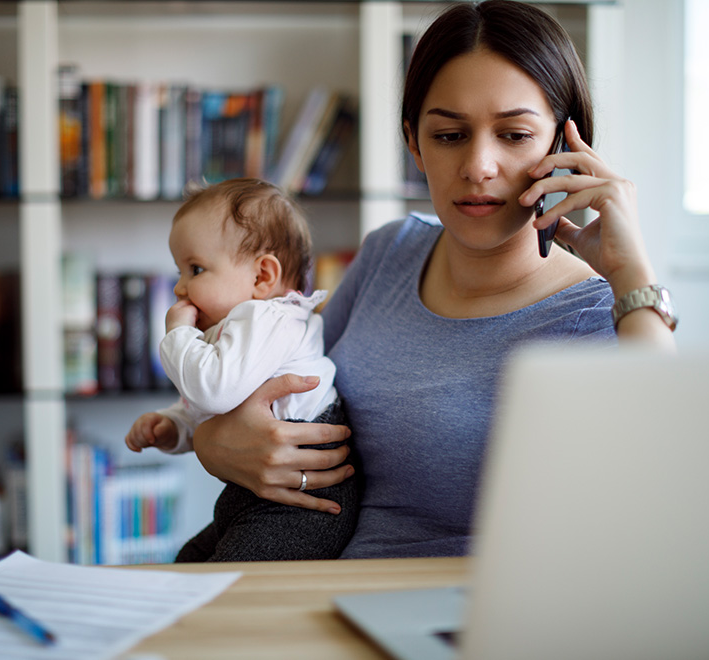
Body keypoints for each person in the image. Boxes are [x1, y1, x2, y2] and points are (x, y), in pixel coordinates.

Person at [185, 0, 678, 561]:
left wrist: (631, 273)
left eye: (514, 135)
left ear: (565, 147)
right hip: (321, 593)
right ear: (414, 142)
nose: (479, 166)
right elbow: (278, 380)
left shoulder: (602, 314)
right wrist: (211, 440)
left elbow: (663, 485)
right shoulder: (390, 251)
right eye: (450, 135)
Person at [124, 177, 358, 562]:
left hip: (301, 505)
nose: (180, 288)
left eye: (195, 269)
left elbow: (214, 390)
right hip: (256, 493)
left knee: (229, 584)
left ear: (262, 277)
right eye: (180, 272)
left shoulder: (268, 318)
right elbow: (220, 407)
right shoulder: (241, 326)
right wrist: (175, 425)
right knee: (189, 562)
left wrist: (178, 333)